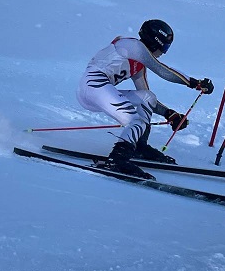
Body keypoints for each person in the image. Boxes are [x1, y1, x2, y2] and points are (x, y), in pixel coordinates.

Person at [77, 19, 214, 179]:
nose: (164, 52)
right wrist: (193, 82)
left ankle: (139, 147)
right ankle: (117, 161)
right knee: (135, 121)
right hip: (93, 86)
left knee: (147, 97)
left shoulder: (138, 64)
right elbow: (162, 70)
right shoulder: (132, 46)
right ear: (155, 42)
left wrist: (168, 113)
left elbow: (145, 95)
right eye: (165, 47)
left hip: (100, 90)